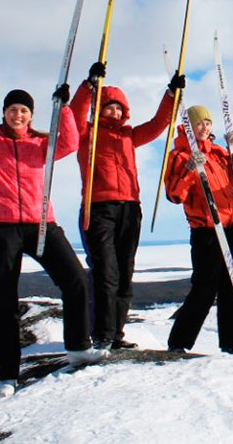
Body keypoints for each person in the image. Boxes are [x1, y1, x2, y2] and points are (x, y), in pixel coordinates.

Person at [0, 55, 107, 399]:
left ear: (31, 116)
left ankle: (77, 347)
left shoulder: (41, 144)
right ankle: (7, 375)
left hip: (40, 223)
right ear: (4, 112)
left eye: (25, 111)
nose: (18, 115)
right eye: (13, 109)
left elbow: (70, 142)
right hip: (1, 228)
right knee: (4, 299)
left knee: (76, 280)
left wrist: (65, 106)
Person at [70, 62, 183, 350]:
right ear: (99, 108)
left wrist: (171, 95)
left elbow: (159, 124)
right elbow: (73, 115)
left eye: (119, 108)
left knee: (124, 274)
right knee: (105, 272)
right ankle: (102, 335)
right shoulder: (86, 134)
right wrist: (88, 87)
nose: (115, 112)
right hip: (98, 209)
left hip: (130, 210)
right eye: (109, 107)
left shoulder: (129, 136)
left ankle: (116, 334)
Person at [164, 105, 233, 355]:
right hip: (206, 229)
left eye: (208, 123)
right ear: (189, 127)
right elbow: (174, 195)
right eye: (199, 123)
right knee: (205, 286)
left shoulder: (218, 153)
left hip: (230, 224)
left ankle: (232, 341)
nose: (205, 127)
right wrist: (190, 170)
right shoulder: (179, 156)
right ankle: (179, 342)